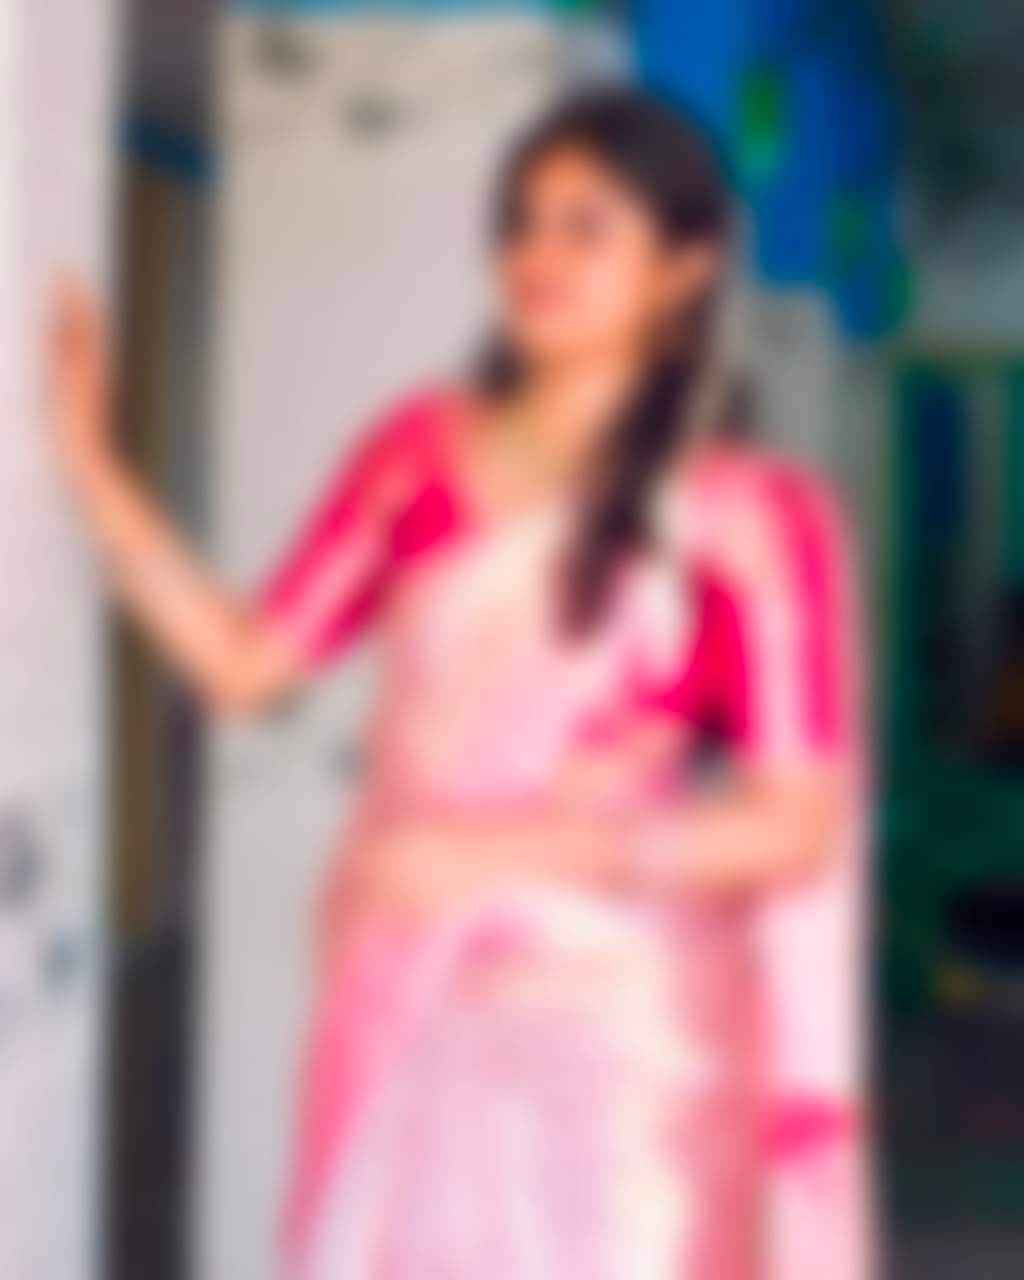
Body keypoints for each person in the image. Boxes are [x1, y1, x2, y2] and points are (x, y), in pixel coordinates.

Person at [50, 88, 869, 1279]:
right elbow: (242, 666)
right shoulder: (413, 456)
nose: (538, 255)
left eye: (587, 226)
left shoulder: (751, 518)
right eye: (520, 222)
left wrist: (496, 851)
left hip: (631, 1055)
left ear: (685, 267)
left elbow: (797, 824)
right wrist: (90, 467)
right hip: (410, 999)